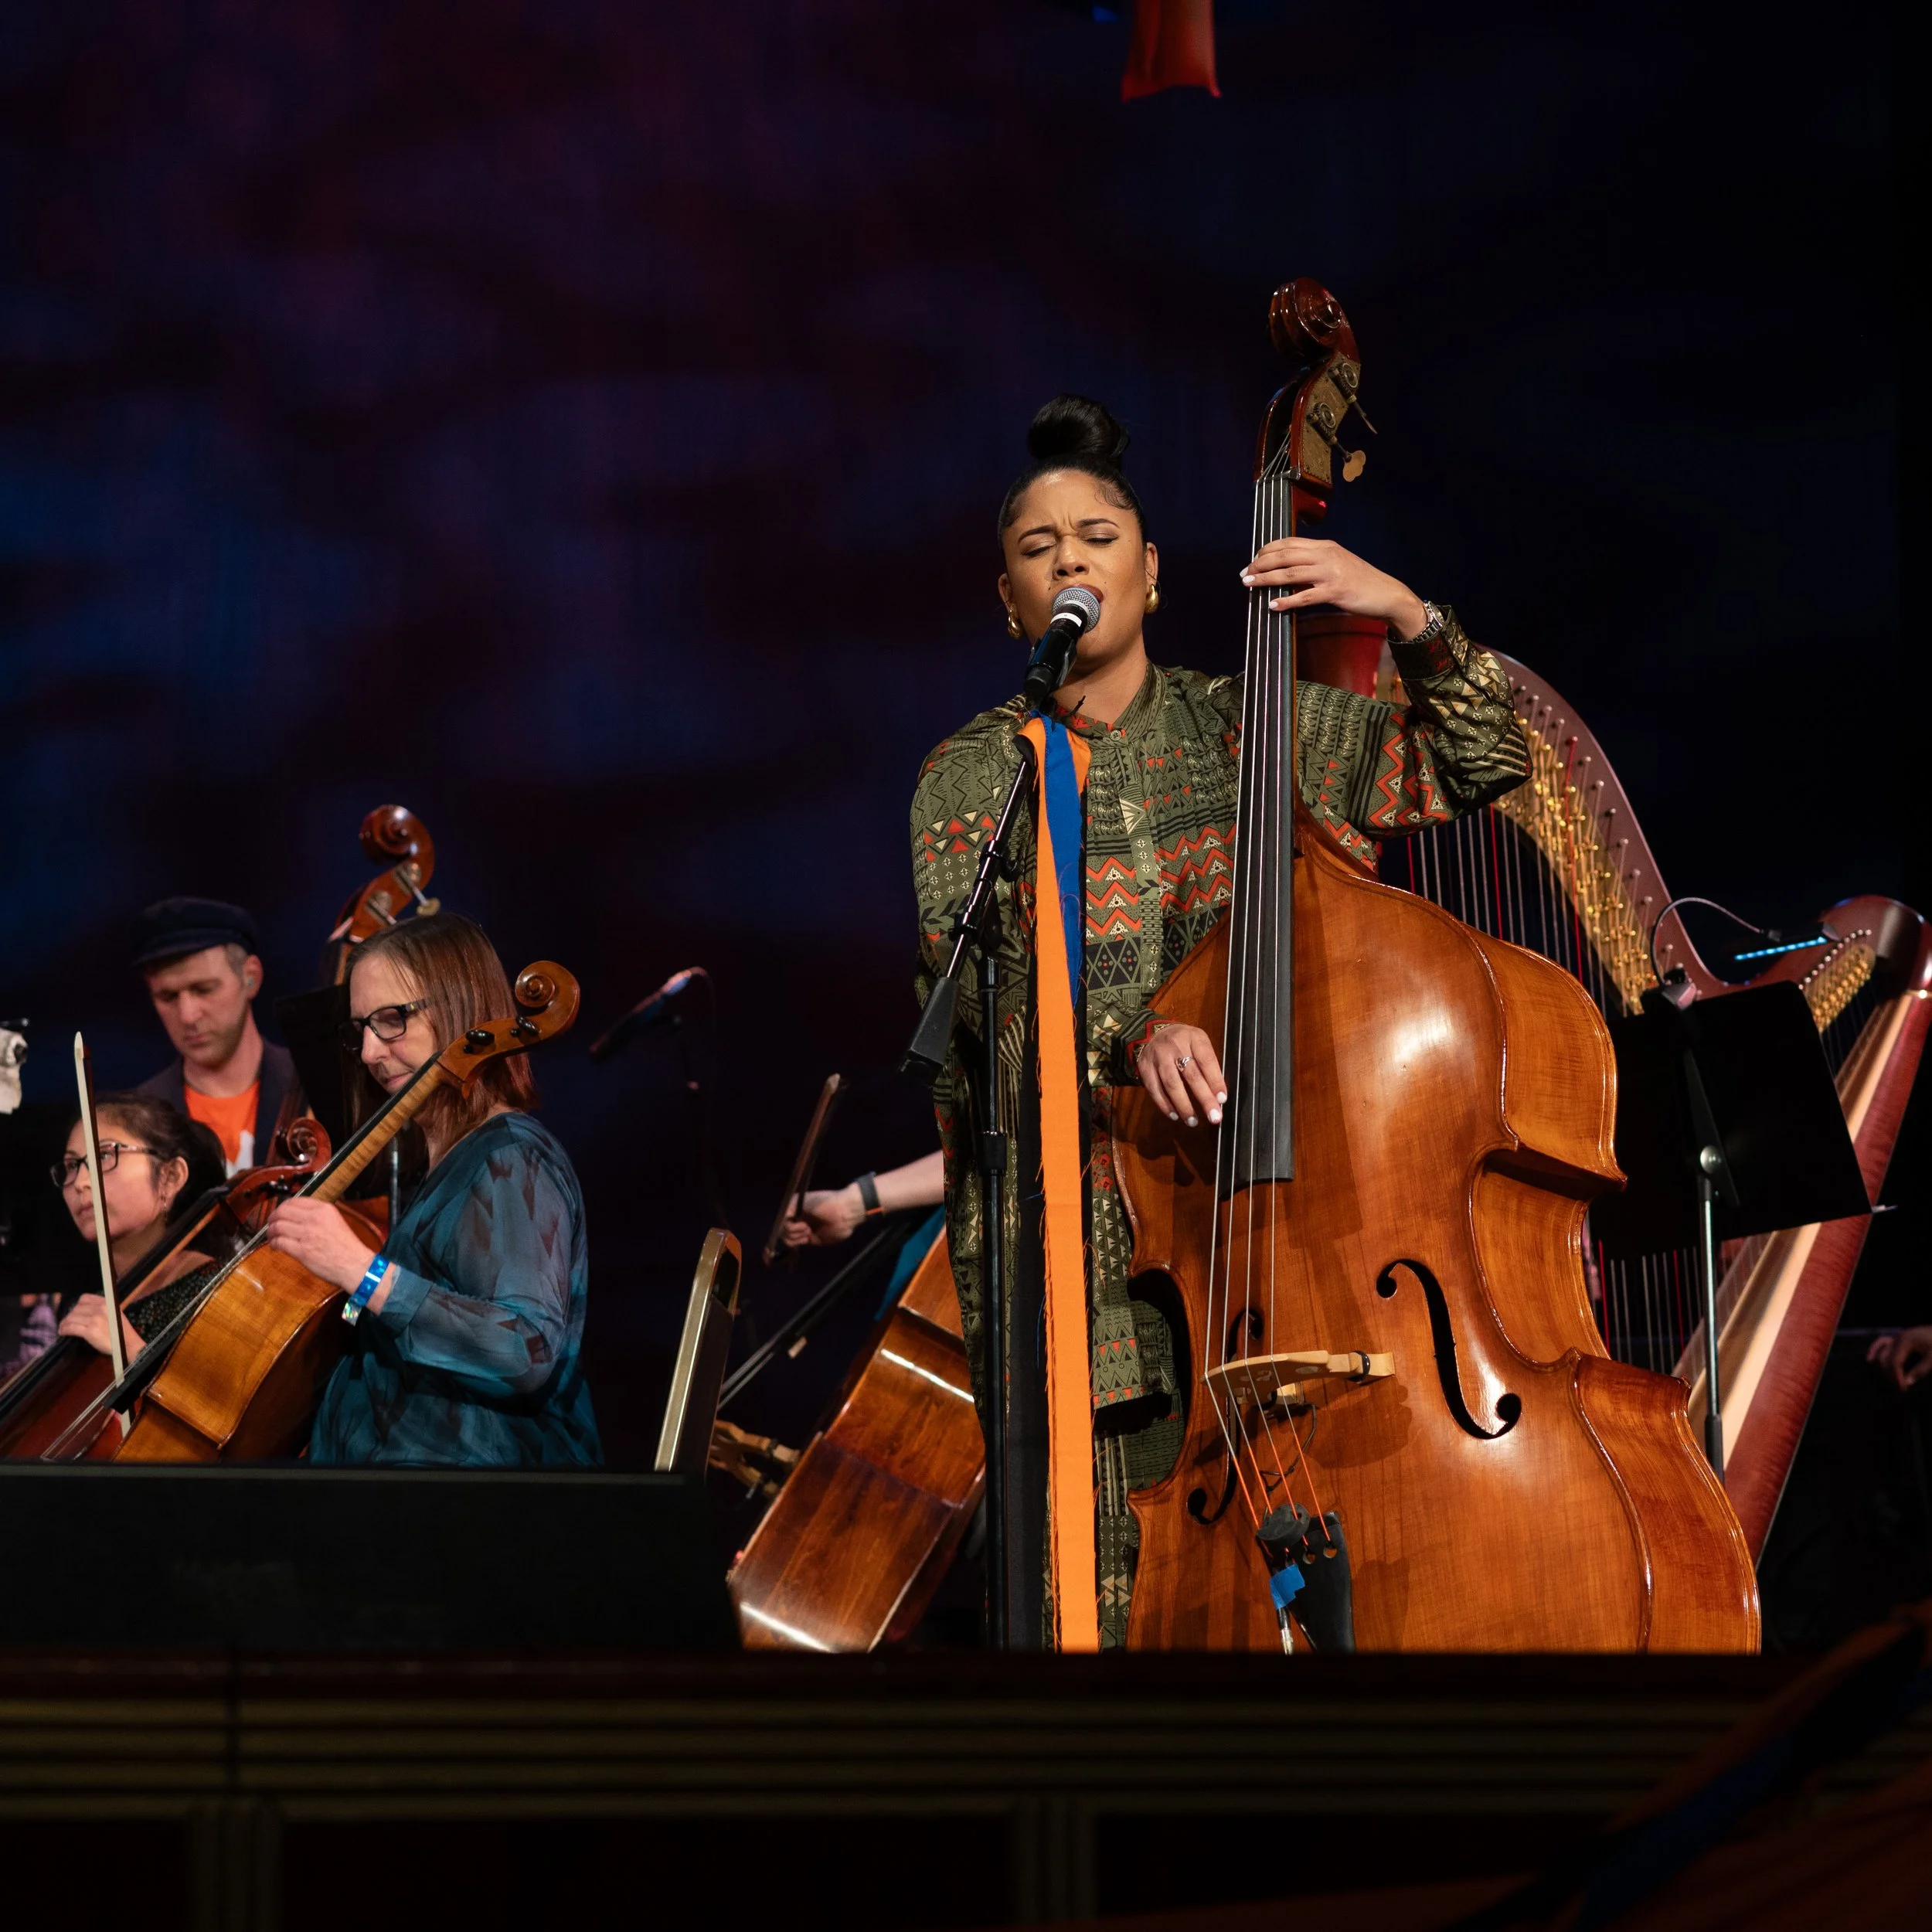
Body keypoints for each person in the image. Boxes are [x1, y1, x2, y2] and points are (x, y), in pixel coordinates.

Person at [911, 395, 1532, 1646]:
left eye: (1098, 538)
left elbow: (1484, 761)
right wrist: (1134, 1038)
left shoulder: (1250, 728)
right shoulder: (974, 776)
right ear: (1010, 602)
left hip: (1287, 1255)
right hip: (1087, 1285)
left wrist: (1403, 611)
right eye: (1039, 548)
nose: (1071, 560)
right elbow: (980, 997)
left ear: (1150, 573)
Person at [262, 911, 601, 1468]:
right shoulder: (440, 1169)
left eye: (392, 1019)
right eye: (360, 1029)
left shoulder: (510, 1156)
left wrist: (363, 1272)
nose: (369, 1052)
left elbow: (525, 1350)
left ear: (461, 1007)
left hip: (469, 1500)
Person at [53, 1094, 229, 1362]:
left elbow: (216, 1390)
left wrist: (133, 1350)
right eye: (71, 1166)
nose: (80, 1182)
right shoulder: (91, 1306)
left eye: (104, 1155)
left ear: (171, 1177)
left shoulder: (219, 1288)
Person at [132, 896, 299, 1175]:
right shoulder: (137, 1121)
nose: (188, 1015)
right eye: (167, 996)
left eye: (204, 989)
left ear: (251, 978)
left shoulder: (312, 1086)